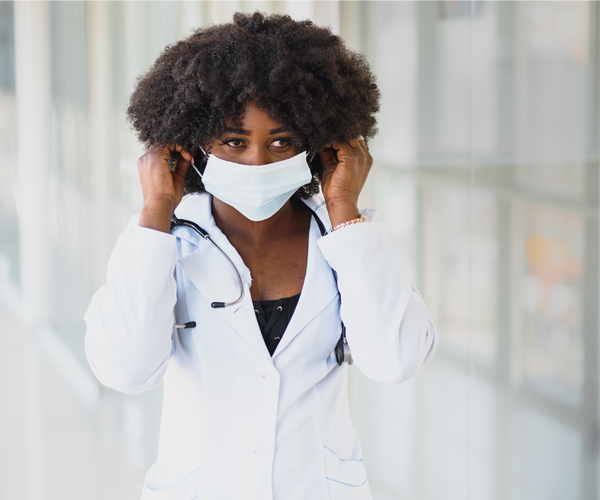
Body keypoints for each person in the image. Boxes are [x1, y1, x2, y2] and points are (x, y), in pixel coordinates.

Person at [84, 12, 436, 500]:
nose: (257, 161)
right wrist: (157, 208)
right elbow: (125, 369)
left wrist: (343, 208)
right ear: (192, 144)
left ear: (316, 144)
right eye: (233, 141)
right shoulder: (162, 239)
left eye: (281, 141)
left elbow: (395, 360)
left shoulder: (346, 237)